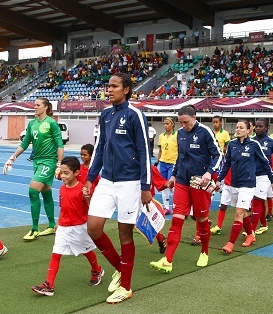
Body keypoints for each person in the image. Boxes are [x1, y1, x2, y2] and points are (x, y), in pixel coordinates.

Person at [85, 73, 152, 304]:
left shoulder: (135, 115)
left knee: (125, 233)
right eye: (108, 86)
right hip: (106, 180)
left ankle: (126, 287)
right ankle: (120, 268)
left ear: (126, 89)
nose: (109, 89)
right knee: (93, 227)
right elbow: (100, 147)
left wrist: (145, 186)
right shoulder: (105, 114)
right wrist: (90, 177)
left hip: (130, 182)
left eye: (114, 86)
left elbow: (144, 151)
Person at [150, 104, 222, 272]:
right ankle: (167, 260)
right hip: (182, 182)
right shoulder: (180, 134)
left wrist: (209, 173)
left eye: (186, 122)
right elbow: (180, 157)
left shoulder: (205, 132)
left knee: (202, 219)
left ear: (194, 117)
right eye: (181, 123)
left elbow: (218, 155)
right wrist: (174, 175)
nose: (183, 126)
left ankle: (204, 252)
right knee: (177, 220)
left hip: (200, 183)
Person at [31, 157, 104, 296]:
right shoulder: (62, 189)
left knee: (86, 250)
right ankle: (49, 285)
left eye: (66, 173)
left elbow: (91, 208)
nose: (62, 176)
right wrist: (59, 222)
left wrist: (87, 198)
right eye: (61, 173)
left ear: (76, 173)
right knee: (56, 254)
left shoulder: (82, 189)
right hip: (64, 227)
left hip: (79, 227)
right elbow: (63, 207)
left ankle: (97, 270)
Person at [3, 97, 64, 240]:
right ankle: (51, 225)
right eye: (34, 105)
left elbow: (60, 145)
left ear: (46, 108)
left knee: (33, 190)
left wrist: (59, 165)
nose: (34, 107)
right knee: (46, 192)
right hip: (37, 162)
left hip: (48, 162)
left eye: (37, 105)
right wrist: (12, 158)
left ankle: (34, 229)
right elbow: (25, 143)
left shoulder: (51, 123)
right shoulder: (32, 124)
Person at [216, 119, 273, 253]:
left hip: (248, 185)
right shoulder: (232, 144)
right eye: (237, 127)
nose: (238, 130)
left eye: (241, 127)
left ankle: (230, 244)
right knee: (242, 213)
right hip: (234, 184)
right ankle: (250, 235)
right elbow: (227, 164)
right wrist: (219, 179)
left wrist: (272, 181)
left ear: (249, 130)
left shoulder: (254, 145)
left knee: (238, 213)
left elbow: (265, 163)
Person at [251, 119, 273, 234]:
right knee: (258, 202)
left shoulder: (271, 142)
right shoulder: (251, 141)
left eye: (261, 126)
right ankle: (264, 224)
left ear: (266, 128)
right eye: (256, 126)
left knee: (257, 201)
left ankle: (251, 231)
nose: (258, 128)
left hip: (265, 176)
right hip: (252, 176)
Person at [156, 117, 178, 215]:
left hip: (173, 163)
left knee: (172, 185)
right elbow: (160, 150)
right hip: (163, 163)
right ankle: (166, 207)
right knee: (163, 185)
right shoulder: (161, 136)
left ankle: (176, 206)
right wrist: (157, 162)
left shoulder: (177, 135)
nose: (165, 125)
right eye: (164, 124)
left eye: (167, 123)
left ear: (172, 124)